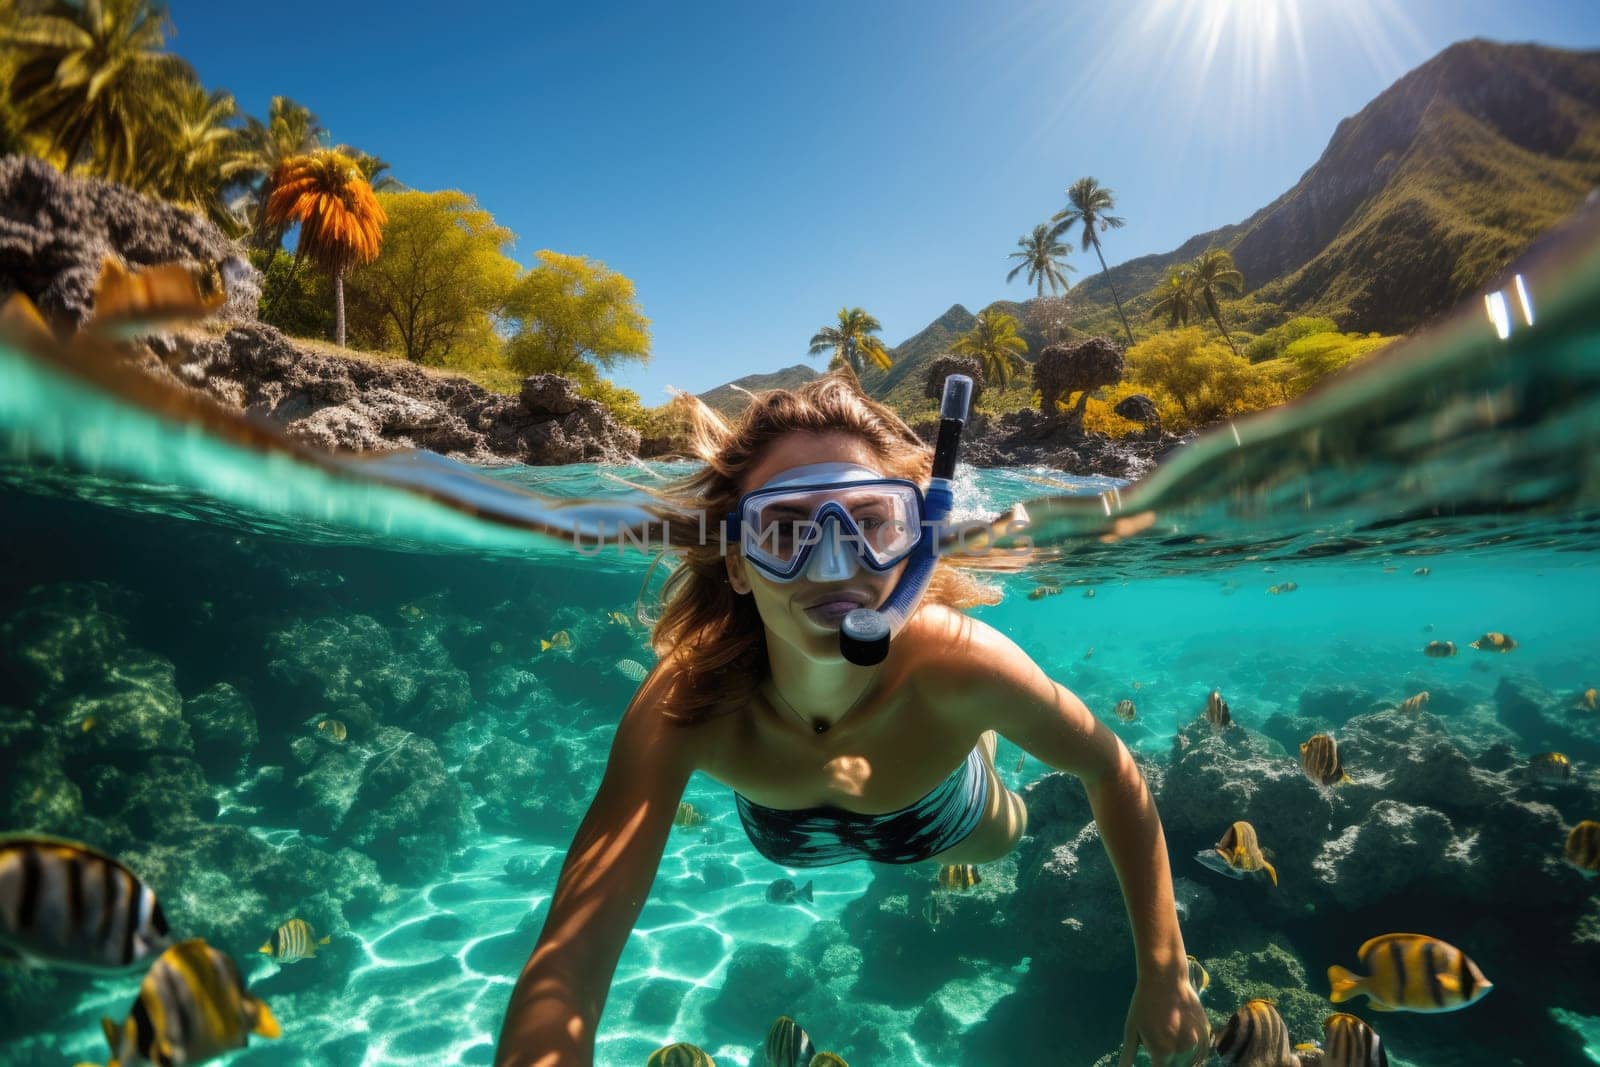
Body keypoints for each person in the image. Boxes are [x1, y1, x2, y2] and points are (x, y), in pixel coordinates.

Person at [495, 372, 1209, 1067]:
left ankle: (980, 745)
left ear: (917, 544)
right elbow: (573, 954)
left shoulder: (962, 666)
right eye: (785, 529)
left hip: (952, 818)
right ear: (739, 564)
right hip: (792, 836)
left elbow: (1112, 769)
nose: (834, 562)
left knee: (998, 832)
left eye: (869, 523)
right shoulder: (690, 699)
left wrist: (1166, 971)